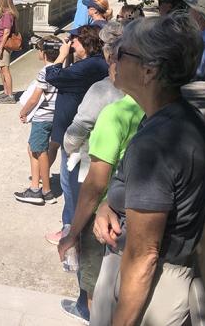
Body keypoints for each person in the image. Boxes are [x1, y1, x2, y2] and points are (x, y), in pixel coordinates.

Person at [91, 12, 205, 326]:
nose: (113, 58)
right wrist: (109, 205)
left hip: (147, 289)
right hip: (151, 278)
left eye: (122, 52)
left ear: (148, 70)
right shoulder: (173, 117)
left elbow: (143, 255)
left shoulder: (157, 143)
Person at [56, 21, 144, 323]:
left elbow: (94, 184)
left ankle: (87, 310)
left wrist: (72, 233)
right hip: (137, 201)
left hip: (108, 200)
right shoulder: (150, 104)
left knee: (96, 273)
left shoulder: (111, 107)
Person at [44, 26, 109, 246]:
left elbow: (53, 76)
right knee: (74, 182)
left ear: (86, 43)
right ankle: (72, 226)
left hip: (76, 135)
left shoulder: (88, 66)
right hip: (78, 132)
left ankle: (70, 230)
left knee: (70, 183)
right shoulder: (96, 63)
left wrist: (60, 57)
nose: (70, 44)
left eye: (74, 41)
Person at [14, 36, 61, 205]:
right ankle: (35, 185)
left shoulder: (45, 72)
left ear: (44, 53)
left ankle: (43, 191)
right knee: (33, 149)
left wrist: (24, 111)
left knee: (39, 151)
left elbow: (35, 98)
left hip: (42, 117)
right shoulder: (61, 69)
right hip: (54, 115)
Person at [0, 0, 18, 104]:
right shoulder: (6, 14)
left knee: (5, 70)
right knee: (1, 69)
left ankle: (10, 95)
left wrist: (0, 48)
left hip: (4, 47)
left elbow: (6, 33)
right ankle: (6, 92)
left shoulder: (7, 15)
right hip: (0, 46)